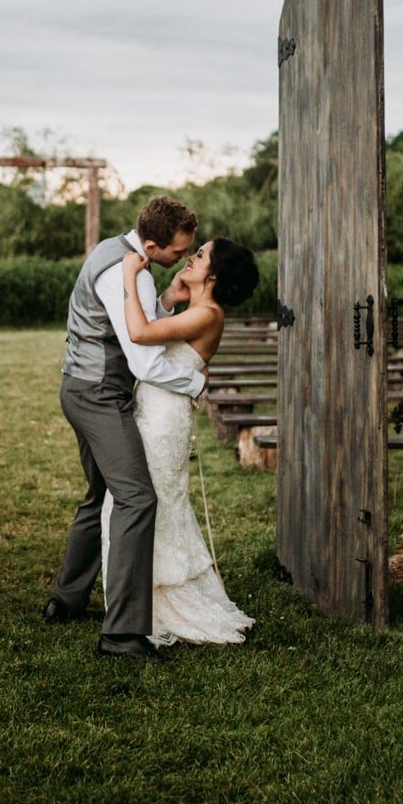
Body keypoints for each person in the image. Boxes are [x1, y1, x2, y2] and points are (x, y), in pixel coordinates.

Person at [45, 196, 202, 660]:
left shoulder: (123, 254)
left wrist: (167, 300)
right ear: (152, 244)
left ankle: (65, 600)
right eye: (176, 252)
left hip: (83, 387)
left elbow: (143, 321)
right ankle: (122, 635)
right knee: (137, 497)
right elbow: (142, 358)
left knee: (102, 496)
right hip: (98, 395)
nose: (181, 259)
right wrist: (194, 380)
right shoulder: (121, 271)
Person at [108, 237, 259, 646]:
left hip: (163, 422)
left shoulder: (208, 314)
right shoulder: (197, 310)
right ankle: (138, 598)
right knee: (153, 502)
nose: (191, 258)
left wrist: (127, 276)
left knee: (151, 504)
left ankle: (158, 604)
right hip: (152, 412)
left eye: (200, 254)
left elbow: (139, 333)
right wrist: (169, 298)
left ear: (212, 274)